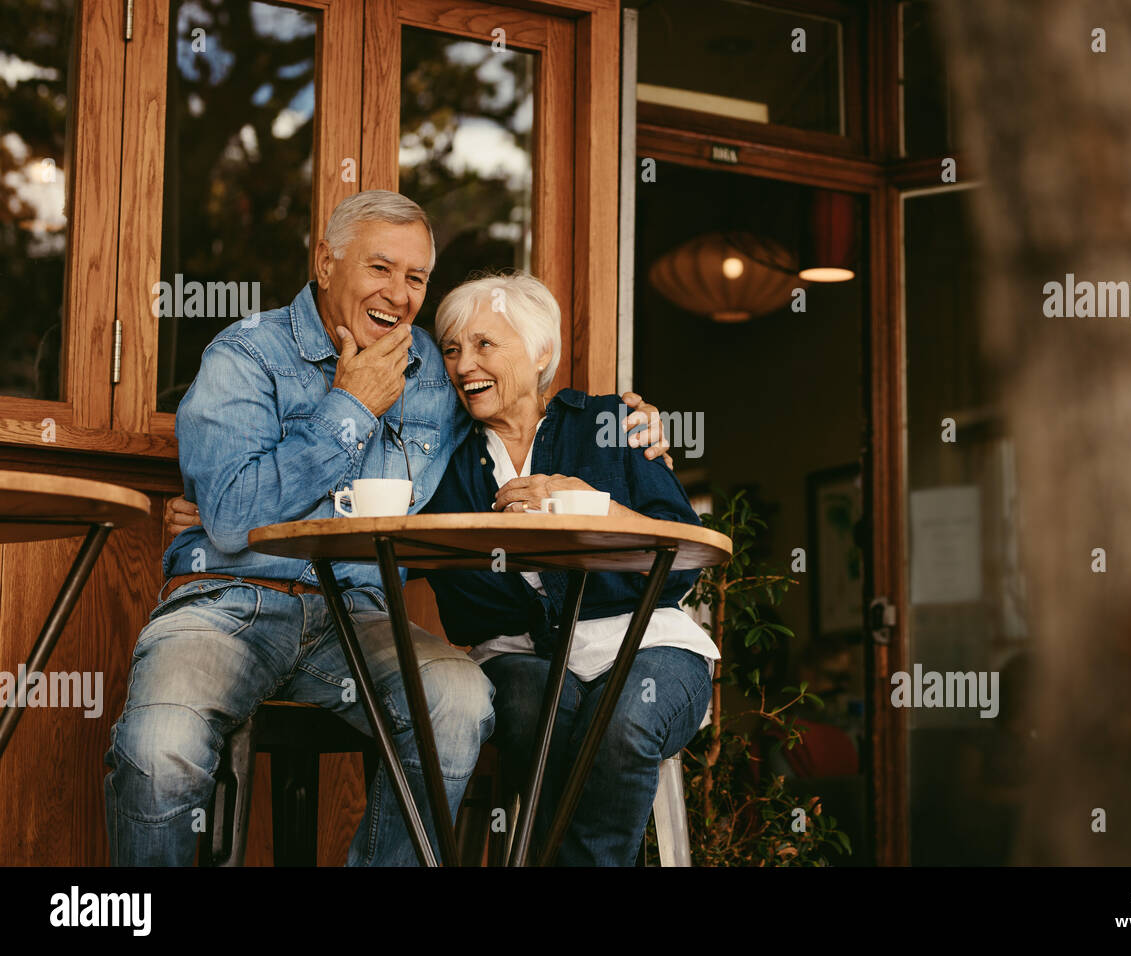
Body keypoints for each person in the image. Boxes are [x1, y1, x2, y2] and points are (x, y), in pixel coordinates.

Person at [120, 190, 668, 866]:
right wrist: (349, 408)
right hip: (231, 599)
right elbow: (232, 518)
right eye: (381, 269)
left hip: (358, 615)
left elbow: (518, 398)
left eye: (416, 278)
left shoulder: (436, 377)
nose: (400, 294)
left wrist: (625, 422)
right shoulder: (246, 355)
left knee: (460, 702)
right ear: (326, 263)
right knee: (159, 746)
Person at [420, 271, 718, 866]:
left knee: (624, 720)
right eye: (452, 349)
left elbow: (682, 560)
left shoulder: (612, 424)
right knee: (538, 716)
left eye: (485, 344)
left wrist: (594, 507)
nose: (463, 364)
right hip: (521, 656)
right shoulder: (443, 460)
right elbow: (461, 599)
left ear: (541, 354)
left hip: (647, 646)